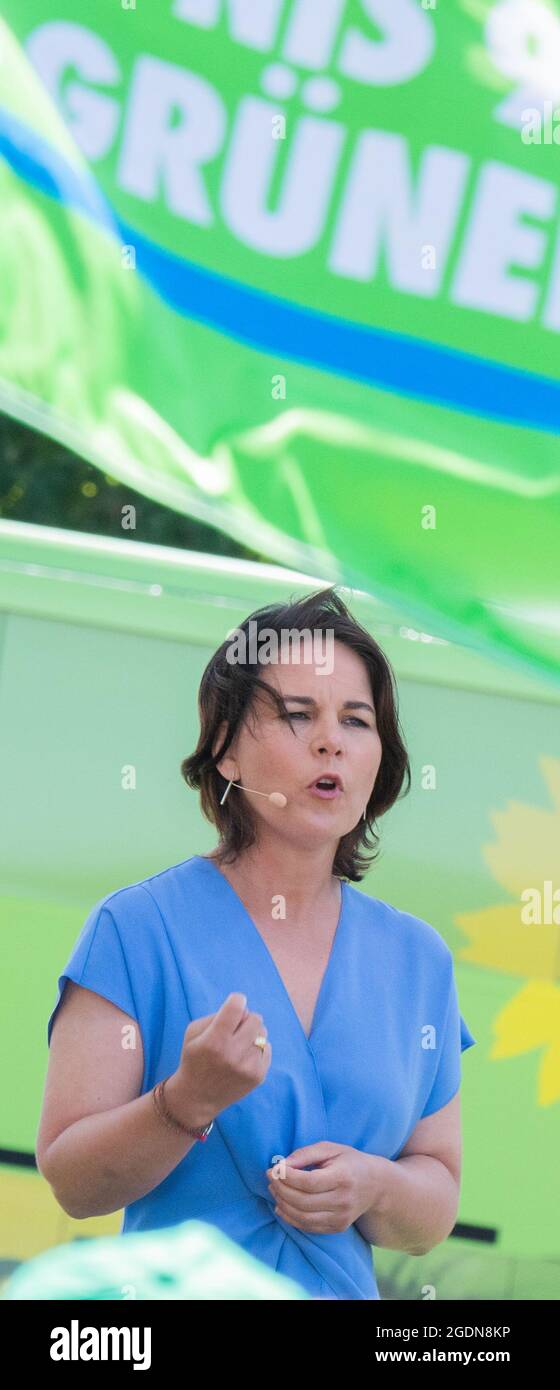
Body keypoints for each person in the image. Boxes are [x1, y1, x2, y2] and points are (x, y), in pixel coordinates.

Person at [37, 586, 476, 1301]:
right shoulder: (135, 929)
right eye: (297, 715)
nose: (331, 739)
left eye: (356, 720)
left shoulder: (417, 959)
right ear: (224, 749)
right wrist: (185, 1101)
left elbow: (432, 1211)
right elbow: (74, 1184)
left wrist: (373, 1184)